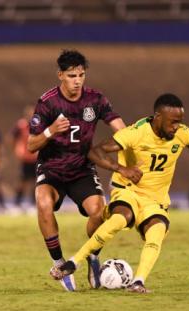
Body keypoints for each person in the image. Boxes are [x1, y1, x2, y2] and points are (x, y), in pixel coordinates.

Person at [50, 93, 189, 293]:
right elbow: (95, 151)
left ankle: (138, 282)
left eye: (179, 122)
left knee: (156, 233)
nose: (176, 127)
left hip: (155, 200)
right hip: (128, 191)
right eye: (172, 122)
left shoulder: (181, 133)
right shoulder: (135, 133)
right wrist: (121, 169)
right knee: (120, 219)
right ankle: (73, 263)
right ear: (158, 117)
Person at [27, 49, 125, 291]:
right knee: (43, 204)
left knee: (99, 211)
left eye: (81, 75)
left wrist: (129, 144)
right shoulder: (47, 102)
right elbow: (31, 145)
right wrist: (50, 131)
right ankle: (60, 265)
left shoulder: (96, 100)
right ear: (60, 75)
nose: (77, 80)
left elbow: (121, 129)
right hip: (52, 168)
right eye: (72, 75)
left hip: (81, 168)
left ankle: (92, 256)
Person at [10, 104, 38, 214]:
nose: (30, 115)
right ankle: (17, 204)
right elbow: (12, 138)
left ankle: (34, 205)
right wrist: (16, 150)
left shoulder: (39, 125)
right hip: (25, 159)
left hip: (36, 158)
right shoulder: (20, 125)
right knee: (22, 182)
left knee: (35, 183)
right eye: (28, 113)